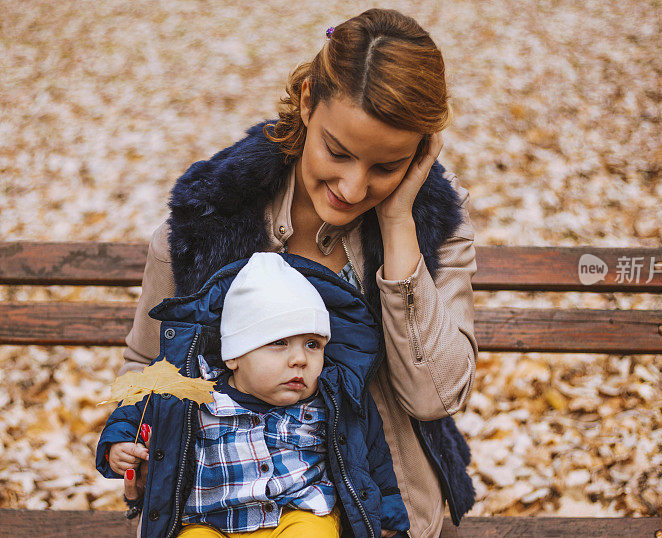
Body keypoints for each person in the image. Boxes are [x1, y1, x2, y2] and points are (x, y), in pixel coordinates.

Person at [117, 8, 478, 537]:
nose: (354, 189)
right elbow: (148, 359)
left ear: (420, 154)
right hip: (219, 510)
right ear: (308, 100)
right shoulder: (209, 218)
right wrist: (140, 442)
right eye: (338, 152)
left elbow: (433, 397)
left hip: (383, 510)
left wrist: (399, 225)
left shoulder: (436, 227)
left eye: (385, 167)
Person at [97, 252, 410, 537]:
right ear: (234, 355)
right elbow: (137, 409)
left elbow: (372, 458)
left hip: (296, 516)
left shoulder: (332, 397)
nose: (300, 359)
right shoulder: (191, 386)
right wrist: (120, 444)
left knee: (314, 532)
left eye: (313, 344)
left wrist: (387, 520)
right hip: (210, 523)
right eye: (279, 343)